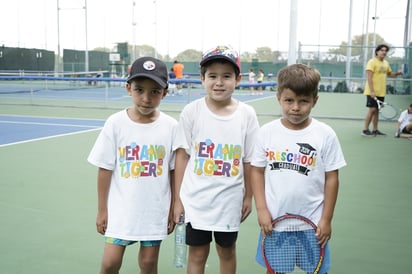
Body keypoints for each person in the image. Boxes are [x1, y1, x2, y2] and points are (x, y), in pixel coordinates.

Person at [251, 64, 346, 274]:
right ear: (279, 98)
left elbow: (332, 178)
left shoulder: (325, 134)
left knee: (318, 270)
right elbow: (256, 172)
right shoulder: (266, 132)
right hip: (275, 223)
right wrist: (262, 210)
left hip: (313, 224)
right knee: (275, 271)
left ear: (315, 100)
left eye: (303, 101)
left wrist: (326, 219)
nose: (295, 107)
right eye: (289, 100)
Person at [173, 45, 259, 274]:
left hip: (229, 201)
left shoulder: (247, 115)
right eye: (212, 76)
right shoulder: (191, 112)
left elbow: (250, 160)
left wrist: (248, 196)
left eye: (226, 76)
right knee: (198, 254)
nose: (219, 82)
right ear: (202, 79)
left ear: (238, 79)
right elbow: (182, 156)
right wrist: (178, 200)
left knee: (227, 251)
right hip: (195, 201)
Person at [87, 56, 177, 274]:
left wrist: (174, 206)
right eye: (139, 90)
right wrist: (102, 210)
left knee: (148, 263)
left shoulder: (171, 126)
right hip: (121, 209)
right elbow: (105, 168)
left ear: (165, 93)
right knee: (110, 263)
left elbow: (174, 171)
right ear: (128, 88)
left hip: (155, 209)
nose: (146, 98)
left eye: (155, 91)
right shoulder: (115, 123)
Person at [362, 44, 403, 136]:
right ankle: (365, 130)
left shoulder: (386, 63)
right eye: (382, 50)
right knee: (372, 110)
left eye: (385, 51)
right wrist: (372, 91)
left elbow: (389, 74)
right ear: (377, 52)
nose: (384, 52)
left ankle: (375, 130)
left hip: (381, 92)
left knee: (377, 111)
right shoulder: (372, 62)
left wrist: (397, 73)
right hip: (371, 91)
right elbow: (369, 77)